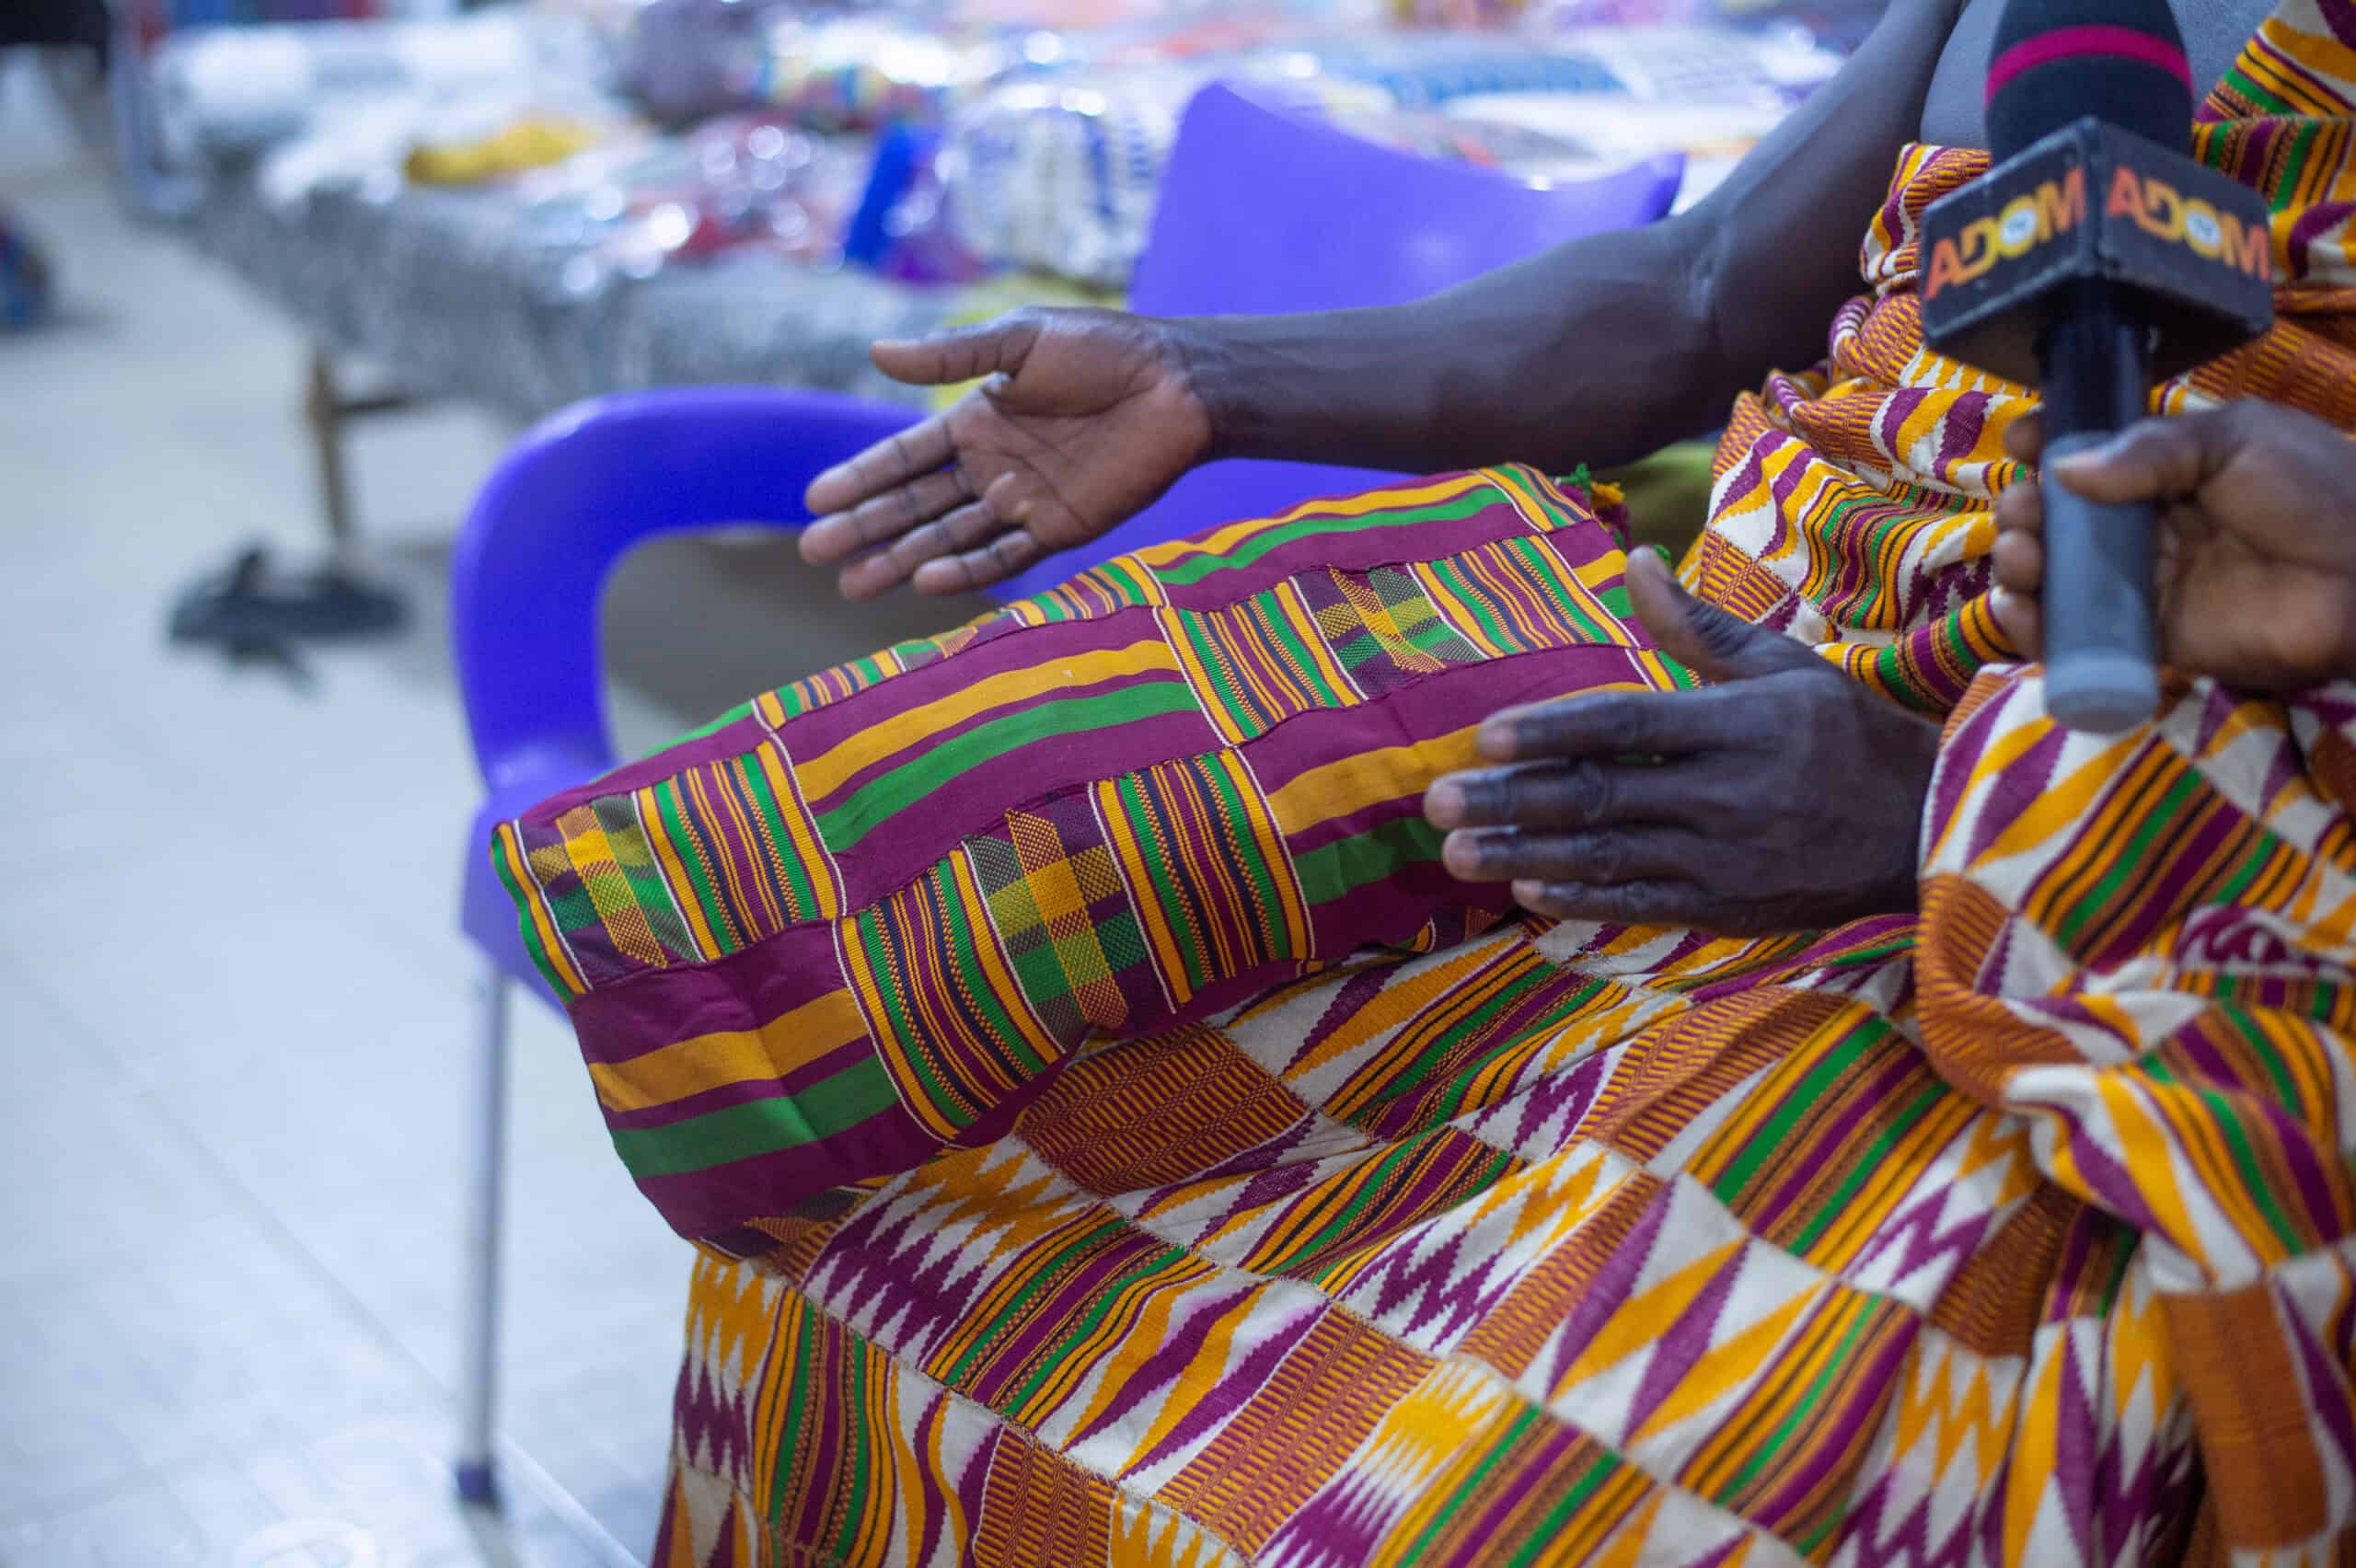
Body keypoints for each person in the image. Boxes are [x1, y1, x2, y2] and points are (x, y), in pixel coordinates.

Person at [496, 0, 2356, 1558]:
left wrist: (1921, 806)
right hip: (1688, 733)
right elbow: (1702, 290)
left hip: (2114, 879)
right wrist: (1197, 372)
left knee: (1437, 1500)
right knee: (865, 1229)